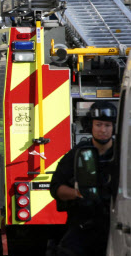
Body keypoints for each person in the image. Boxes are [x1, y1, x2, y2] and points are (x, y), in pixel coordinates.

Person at [50, 101, 117, 256]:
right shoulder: (77, 154)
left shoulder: (123, 154)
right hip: (82, 224)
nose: (103, 130)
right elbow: (56, 187)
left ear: (114, 127)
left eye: (107, 125)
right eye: (98, 125)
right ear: (90, 126)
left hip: (115, 225)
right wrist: (78, 193)